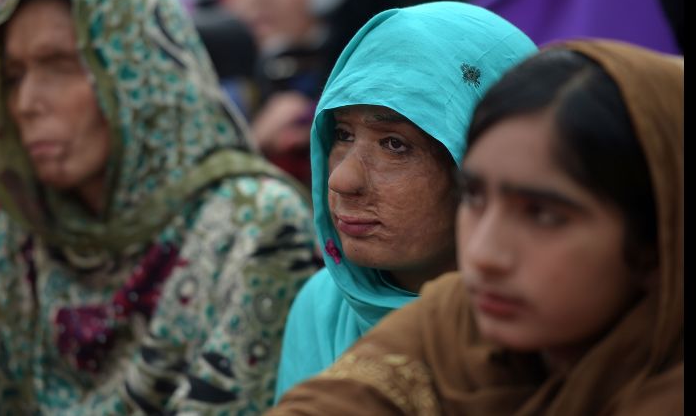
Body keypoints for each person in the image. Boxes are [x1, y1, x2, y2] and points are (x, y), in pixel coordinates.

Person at [0, 0, 318, 414]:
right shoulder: (33, 231)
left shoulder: (254, 228)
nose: (25, 102)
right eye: (14, 75)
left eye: (58, 65)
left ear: (140, 74)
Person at [269, 39, 684, 414]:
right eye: (474, 196)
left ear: (658, 236)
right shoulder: (452, 324)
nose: (483, 254)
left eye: (543, 215)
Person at [273, 1, 537, 400]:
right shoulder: (323, 307)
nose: (342, 180)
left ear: (483, 167)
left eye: (394, 145)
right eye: (342, 135)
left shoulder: (551, 322)